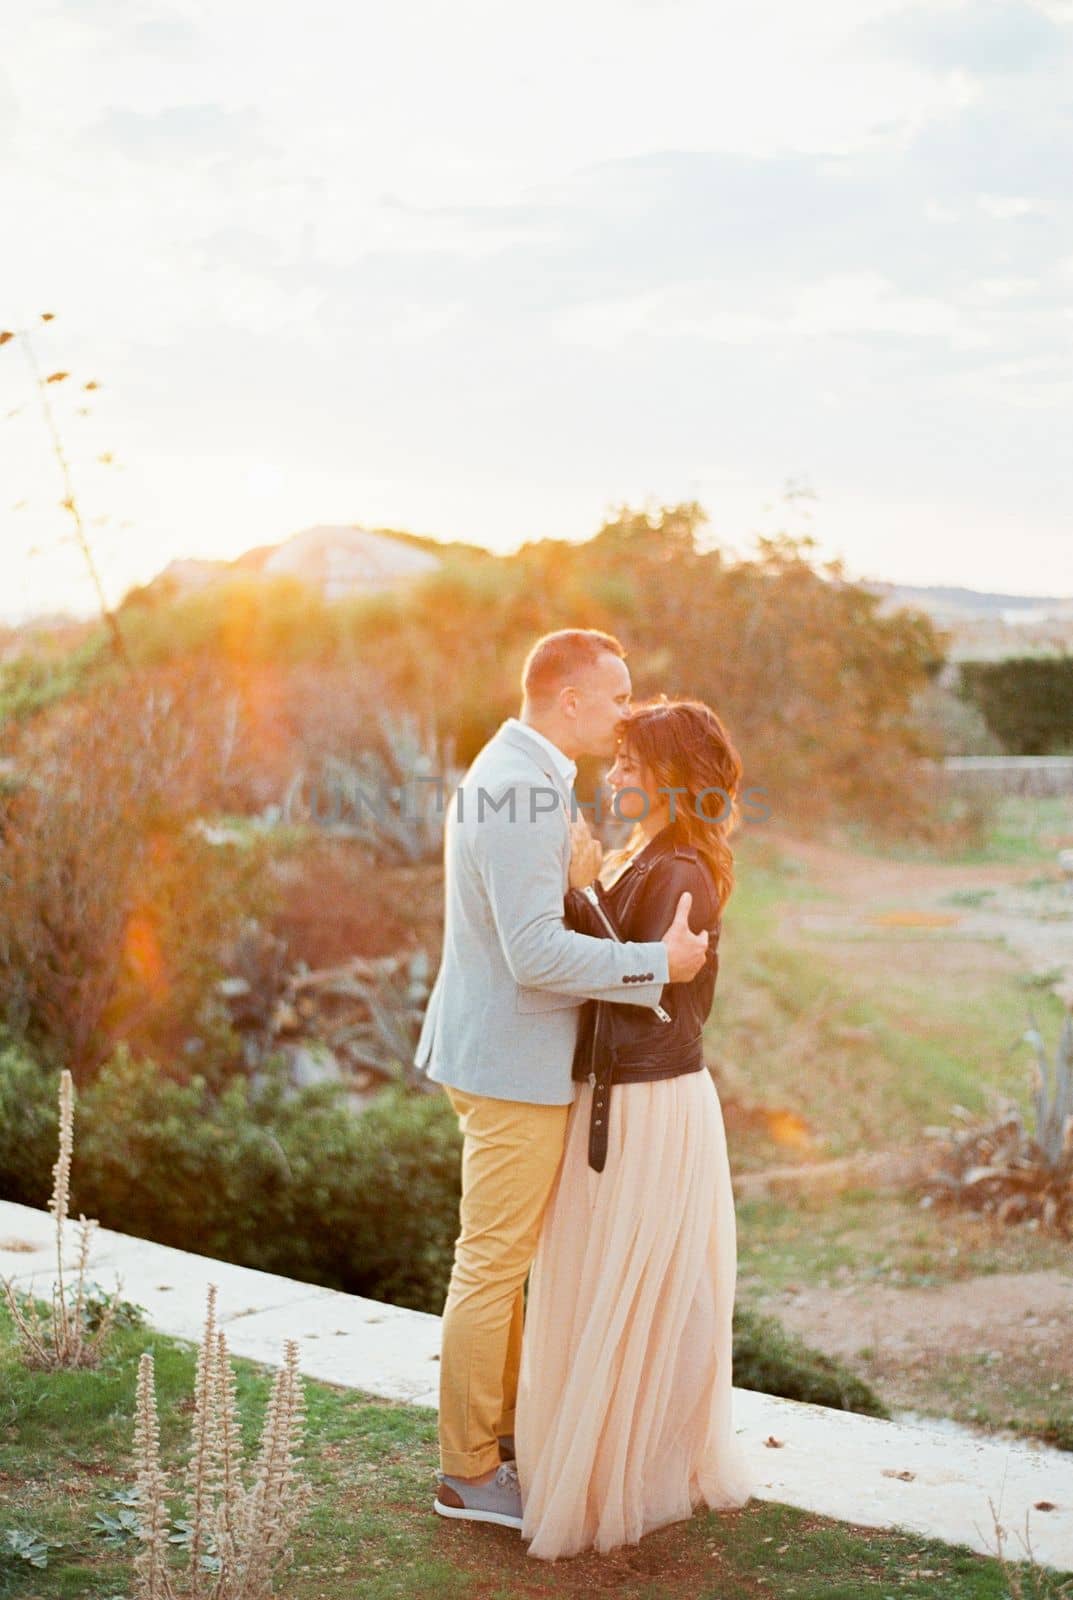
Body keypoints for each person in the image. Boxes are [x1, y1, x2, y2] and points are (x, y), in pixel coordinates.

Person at [414, 631, 710, 1530]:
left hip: (503, 1053)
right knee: (491, 1266)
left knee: (498, 1265)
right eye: (617, 697)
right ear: (569, 700)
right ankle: (467, 1475)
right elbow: (532, 952)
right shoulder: (519, 791)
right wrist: (657, 962)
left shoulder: (524, 775)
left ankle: (494, 1442)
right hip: (511, 1063)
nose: (628, 713)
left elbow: (536, 922)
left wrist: (585, 886)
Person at [515, 697, 755, 1561]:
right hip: (615, 1093)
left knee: (639, 1287)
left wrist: (579, 887)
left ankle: (632, 1474)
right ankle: (604, 1460)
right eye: (612, 762)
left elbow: (644, 986)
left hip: (651, 1103)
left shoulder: (682, 869)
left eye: (627, 764)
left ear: (668, 775)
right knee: (606, 1281)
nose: (612, 777)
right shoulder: (646, 855)